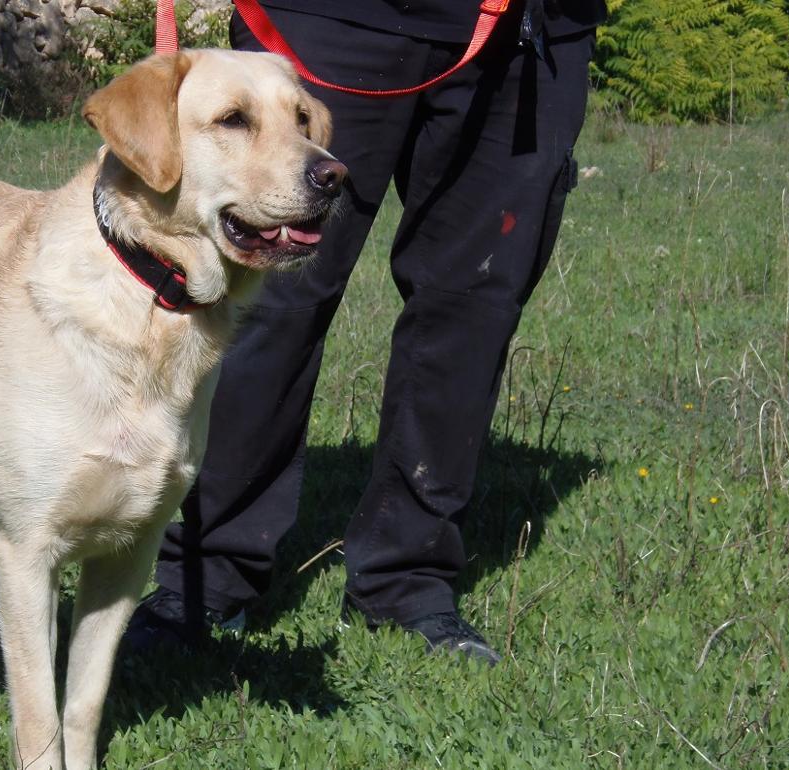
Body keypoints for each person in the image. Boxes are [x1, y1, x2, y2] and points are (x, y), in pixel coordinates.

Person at [125, 0, 608, 665]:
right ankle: (206, 575)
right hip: (340, 16)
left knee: (474, 301)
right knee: (270, 291)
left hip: (533, 32)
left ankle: (406, 584)